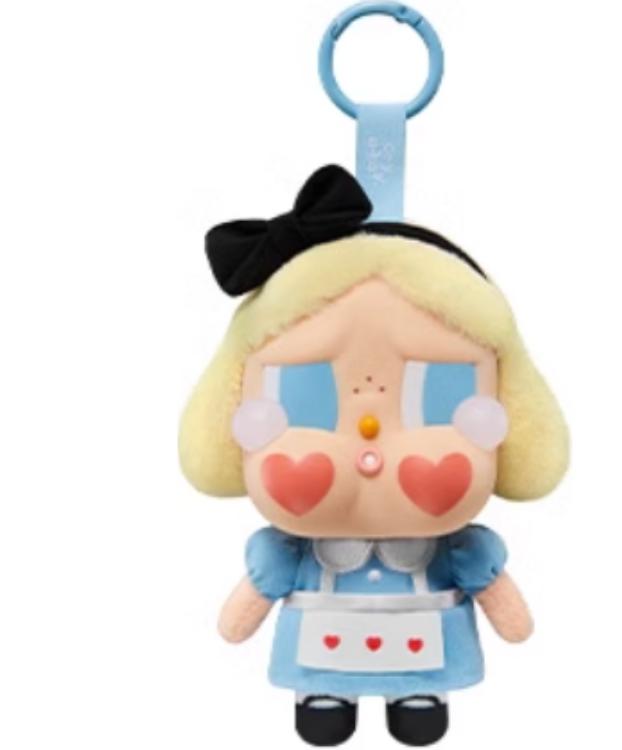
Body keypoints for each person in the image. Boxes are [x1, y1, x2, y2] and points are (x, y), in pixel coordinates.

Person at [179, 165, 569, 746]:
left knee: (420, 719)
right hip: (324, 646)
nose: (369, 450)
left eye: (436, 396)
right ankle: (324, 695)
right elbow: (246, 609)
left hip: (423, 647)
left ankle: (417, 696)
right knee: (323, 717)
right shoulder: (289, 549)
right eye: (305, 397)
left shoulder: (461, 548)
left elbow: (507, 609)